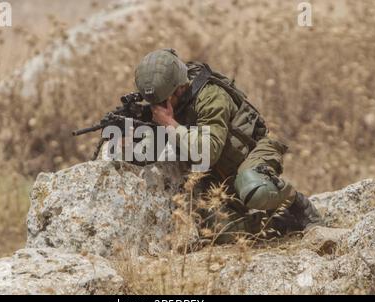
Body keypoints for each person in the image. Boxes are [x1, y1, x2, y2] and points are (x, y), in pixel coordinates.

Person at [133, 48, 324, 242]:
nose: (156, 108)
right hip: (217, 176)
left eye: (162, 102)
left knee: (254, 188)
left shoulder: (211, 97)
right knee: (218, 231)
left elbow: (208, 152)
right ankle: (279, 223)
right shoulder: (165, 100)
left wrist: (169, 123)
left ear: (180, 88)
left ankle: (298, 205)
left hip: (251, 155)